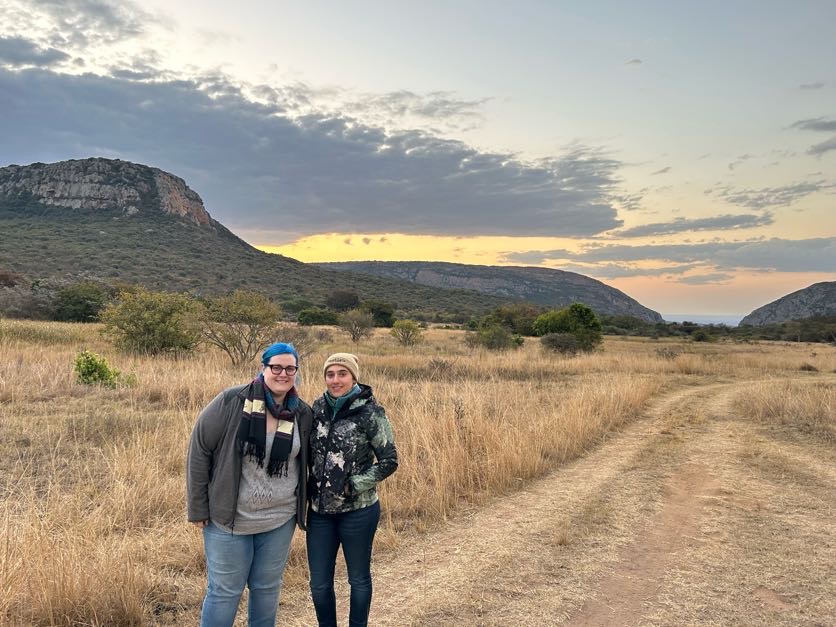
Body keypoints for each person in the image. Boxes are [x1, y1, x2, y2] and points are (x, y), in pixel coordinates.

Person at [186, 342, 313, 627]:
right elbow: (199, 450)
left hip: (280, 520)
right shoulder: (232, 401)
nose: (283, 374)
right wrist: (197, 508)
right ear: (263, 368)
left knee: (267, 589)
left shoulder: (301, 413)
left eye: (290, 368)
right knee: (224, 592)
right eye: (276, 367)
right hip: (230, 520)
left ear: (296, 372)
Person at [307, 352, 399, 627]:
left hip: (358, 511)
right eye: (330, 374)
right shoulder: (317, 407)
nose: (335, 380)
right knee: (319, 585)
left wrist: (353, 485)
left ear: (353, 376)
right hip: (320, 513)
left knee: (358, 579)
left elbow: (389, 460)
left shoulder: (370, 411)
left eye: (342, 373)